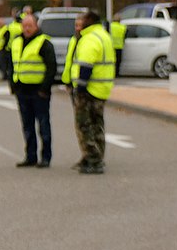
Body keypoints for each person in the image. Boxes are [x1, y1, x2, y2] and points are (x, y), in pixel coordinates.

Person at [62, 9, 116, 174]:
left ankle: (93, 159)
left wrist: (81, 88)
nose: (78, 26)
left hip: (90, 90)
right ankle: (94, 156)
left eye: (81, 22)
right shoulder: (103, 35)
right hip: (101, 88)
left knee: (84, 125)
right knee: (97, 124)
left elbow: (85, 65)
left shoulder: (90, 38)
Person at [10, 14, 56, 168]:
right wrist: (13, 85)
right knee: (27, 126)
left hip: (38, 91)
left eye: (30, 26)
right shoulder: (16, 42)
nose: (27, 29)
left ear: (36, 26)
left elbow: (51, 67)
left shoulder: (43, 43)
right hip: (22, 90)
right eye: (24, 26)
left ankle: (46, 157)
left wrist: (44, 89)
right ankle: (30, 156)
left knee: (43, 125)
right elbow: (13, 65)